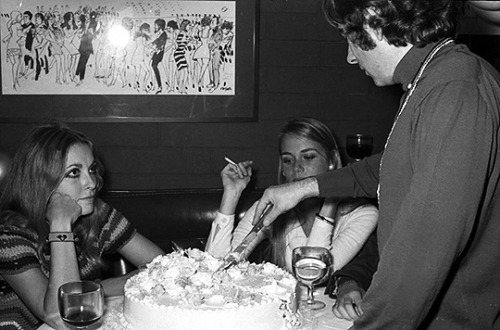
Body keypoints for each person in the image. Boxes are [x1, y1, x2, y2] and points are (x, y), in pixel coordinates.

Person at [252, 0, 500, 328]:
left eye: (350, 38)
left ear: (374, 19)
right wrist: (304, 188)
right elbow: (390, 166)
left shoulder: (453, 90)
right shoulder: (434, 77)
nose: (351, 56)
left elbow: (419, 257)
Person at [0, 124, 164, 330]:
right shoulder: (9, 236)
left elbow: (161, 267)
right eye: (74, 172)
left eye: (92, 169)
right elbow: (63, 318)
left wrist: (94, 291)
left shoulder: (96, 213)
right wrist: (60, 226)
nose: (92, 182)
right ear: (41, 182)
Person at [205, 117, 378, 275]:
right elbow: (215, 267)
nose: (297, 167)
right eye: (288, 160)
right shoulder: (271, 208)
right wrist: (231, 193)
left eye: (309, 157)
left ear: (332, 161)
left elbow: (312, 274)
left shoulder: (364, 214)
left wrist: (332, 196)